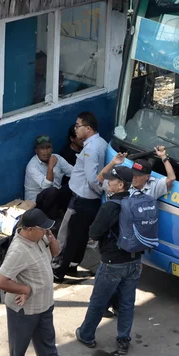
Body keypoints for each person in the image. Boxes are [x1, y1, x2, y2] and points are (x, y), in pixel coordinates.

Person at [0, 208, 84, 356]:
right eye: (42, 229)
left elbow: (55, 252)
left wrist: (51, 238)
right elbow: (0, 281)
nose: (46, 231)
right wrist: (24, 290)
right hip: (24, 309)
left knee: (47, 342)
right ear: (29, 229)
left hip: (44, 304)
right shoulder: (18, 250)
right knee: (19, 348)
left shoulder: (40, 237)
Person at [97, 146, 176, 317]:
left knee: (127, 278)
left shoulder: (153, 187)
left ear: (148, 177)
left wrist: (164, 157)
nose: (134, 178)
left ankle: (118, 305)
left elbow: (171, 178)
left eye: (138, 176)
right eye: (133, 174)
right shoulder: (123, 184)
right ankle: (104, 305)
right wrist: (114, 162)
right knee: (114, 274)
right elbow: (100, 178)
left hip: (137, 240)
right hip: (118, 236)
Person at [75, 166, 142, 355]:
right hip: (135, 261)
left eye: (111, 180)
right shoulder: (139, 202)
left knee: (98, 301)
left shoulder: (110, 206)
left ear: (120, 185)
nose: (108, 182)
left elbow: (94, 233)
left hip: (113, 262)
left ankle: (86, 334)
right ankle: (123, 339)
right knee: (127, 303)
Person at [53, 112, 107, 281]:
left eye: (78, 126)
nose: (75, 129)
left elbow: (92, 178)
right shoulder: (100, 143)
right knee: (80, 235)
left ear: (88, 129)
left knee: (68, 236)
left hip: (83, 199)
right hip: (86, 198)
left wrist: (100, 192)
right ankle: (72, 265)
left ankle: (58, 271)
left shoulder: (91, 148)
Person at [25, 135, 74, 220]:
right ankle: (52, 218)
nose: (46, 151)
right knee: (52, 191)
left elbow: (73, 172)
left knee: (70, 186)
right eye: (42, 148)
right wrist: (50, 167)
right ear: (36, 151)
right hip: (36, 204)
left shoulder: (57, 158)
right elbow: (46, 186)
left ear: (52, 149)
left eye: (48, 148)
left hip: (54, 197)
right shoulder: (32, 166)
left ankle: (65, 214)